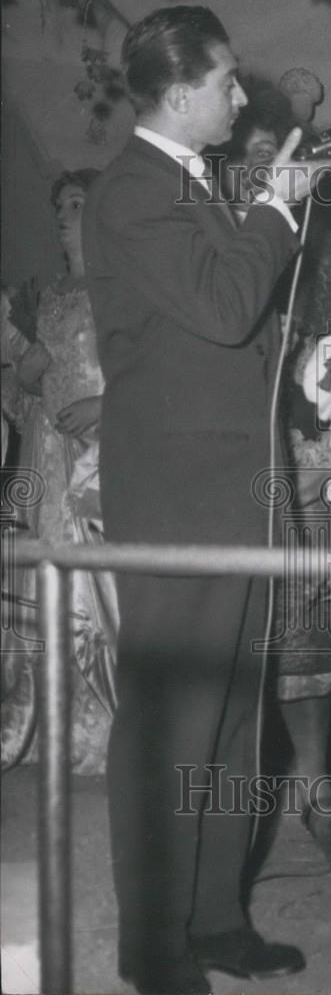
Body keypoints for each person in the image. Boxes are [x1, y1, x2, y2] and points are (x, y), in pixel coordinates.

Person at [81, 7, 328, 993]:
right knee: (173, 714)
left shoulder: (196, 190)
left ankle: (217, 915)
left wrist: (269, 212)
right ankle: (153, 944)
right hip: (179, 492)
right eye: (227, 80)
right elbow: (227, 312)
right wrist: (274, 209)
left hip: (232, 484)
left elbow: (239, 333)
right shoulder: (134, 192)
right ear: (180, 91)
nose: (241, 93)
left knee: (232, 712)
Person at [217, 86, 331, 866]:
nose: (259, 170)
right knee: (228, 642)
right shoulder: (204, 246)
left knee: (310, 641)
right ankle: (232, 810)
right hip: (223, 465)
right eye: (243, 157)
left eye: (272, 156)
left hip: (308, 470)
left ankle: (315, 785)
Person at [1, 169, 118, 775]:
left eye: (78, 202)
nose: (64, 212)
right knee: (38, 583)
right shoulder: (46, 296)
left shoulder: (120, 286)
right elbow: (25, 400)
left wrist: (106, 405)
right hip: (46, 456)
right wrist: (24, 377)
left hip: (100, 457)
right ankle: (42, 718)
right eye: (60, 204)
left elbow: (148, 376)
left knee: (95, 590)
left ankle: (101, 727)